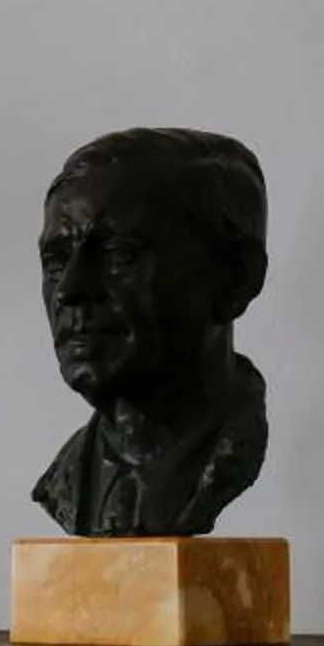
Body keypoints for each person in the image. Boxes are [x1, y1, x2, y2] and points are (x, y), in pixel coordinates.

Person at [32, 128, 269, 538]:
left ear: (235, 280)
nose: (70, 290)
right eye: (56, 260)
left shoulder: (227, 451)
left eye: (118, 253)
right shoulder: (69, 482)